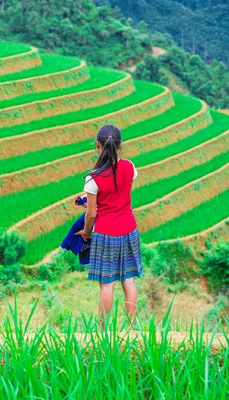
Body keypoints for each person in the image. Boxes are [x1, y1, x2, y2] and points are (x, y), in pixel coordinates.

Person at [76, 124, 143, 329]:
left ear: (97, 145)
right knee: (129, 281)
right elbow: (119, 190)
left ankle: (102, 330)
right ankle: (132, 329)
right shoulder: (130, 167)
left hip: (105, 234)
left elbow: (92, 214)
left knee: (107, 284)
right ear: (120, 145)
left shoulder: (93, 178)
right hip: (129, 229)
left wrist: (86, 232)